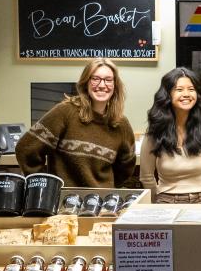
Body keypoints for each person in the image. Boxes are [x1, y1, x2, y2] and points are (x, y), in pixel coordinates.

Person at [15, 57, 137, 190]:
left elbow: (126, 166)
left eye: (108, 80)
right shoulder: (65, 112)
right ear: (86, 82)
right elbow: (26, 149)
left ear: (115, 85)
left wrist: (108, 188)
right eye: (95, 79)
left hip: (101, 204)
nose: (102, 85)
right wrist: (45, 186)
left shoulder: (121, 124)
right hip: (64, 203)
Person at [140, 67, 201, 204]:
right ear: (167, 94)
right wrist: (158, 202)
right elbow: (146, 176)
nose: (186, 94)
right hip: (165, 200)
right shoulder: (155, 130)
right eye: (179, 90)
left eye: (191, 89)